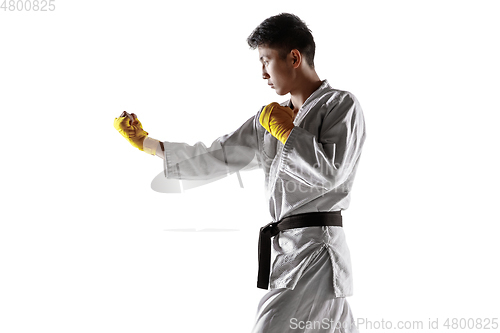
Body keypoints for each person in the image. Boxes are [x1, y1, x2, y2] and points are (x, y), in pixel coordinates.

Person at [114, 13, 366, 333]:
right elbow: (220, 156)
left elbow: (331, 173)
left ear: (293, 58)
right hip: (288, 249)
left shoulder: (340, 105)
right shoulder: (270, 118)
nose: (262, 74)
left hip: (318, 249)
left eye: (266, 60)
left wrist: (289, 133)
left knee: (271, 326)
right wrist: (147, 143)